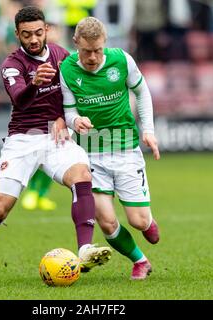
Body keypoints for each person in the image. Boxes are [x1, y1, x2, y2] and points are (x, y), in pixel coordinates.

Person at [0, 6, 111, 286]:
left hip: (55, 135)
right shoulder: (11, 64)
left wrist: (66, 118)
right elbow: (19, 100)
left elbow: (74, 94)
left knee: (81, 176)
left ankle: (85, 248)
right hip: (22, 139)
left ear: (47, 30)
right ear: (17, 34)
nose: (34, 39)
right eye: (27, 35)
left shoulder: (62, 56)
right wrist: (34, 83)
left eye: (39, 32)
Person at [59, 17, 160, 280]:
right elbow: (69, 111)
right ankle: (140, 261)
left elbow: (142, 92)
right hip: (90, 152)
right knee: (106, 221)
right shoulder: (67, 69)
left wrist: (148, 130)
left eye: (97, 50)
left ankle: (147, 222)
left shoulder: (122, 60)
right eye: (86, 51)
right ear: (75, 44)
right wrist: (75, 121)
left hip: (125, 148)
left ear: (105, 43)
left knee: (138, 221)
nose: (92, 57)